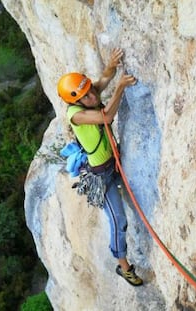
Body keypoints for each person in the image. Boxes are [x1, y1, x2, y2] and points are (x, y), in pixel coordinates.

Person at [57, 48, 143, 286]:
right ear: (75, 101)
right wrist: (120, 88)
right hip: (101, 175)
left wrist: (112, 64)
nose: (93, 96)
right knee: (119, 220)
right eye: (86, 96)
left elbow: (104, 78)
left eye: (91, 91)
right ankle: (124, 267)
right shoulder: (77, 115)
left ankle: (123, 264)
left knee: (121, 217)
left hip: (113, 164)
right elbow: (106, 116)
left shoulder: (87, 94)